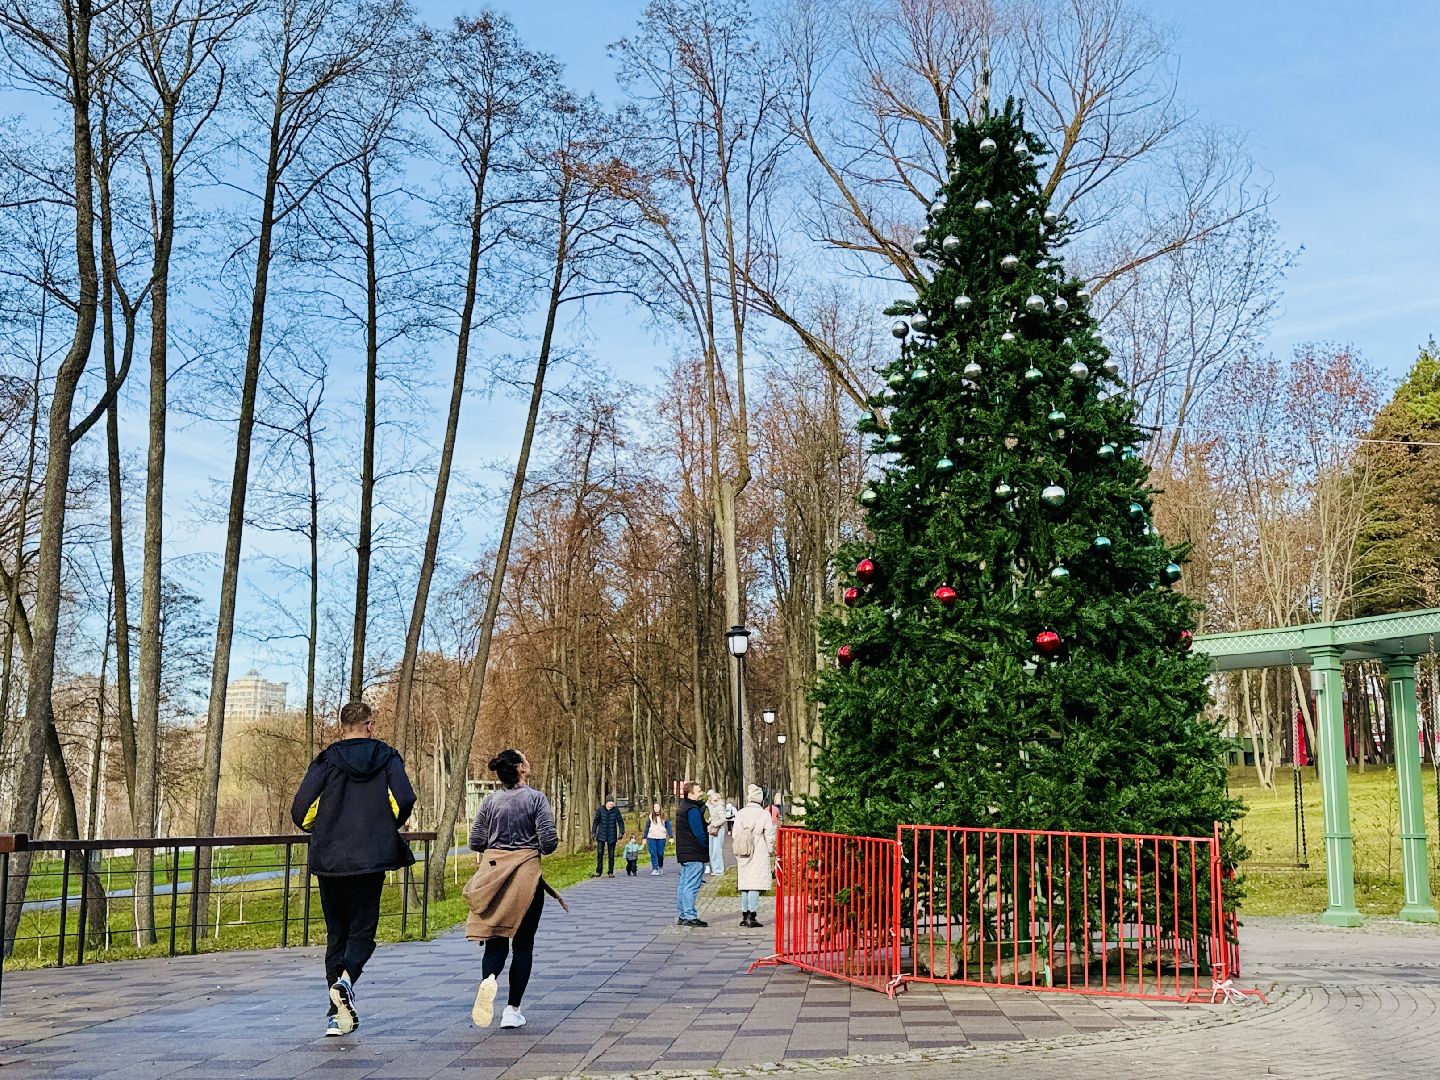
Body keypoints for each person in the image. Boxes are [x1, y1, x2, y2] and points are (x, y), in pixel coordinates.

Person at [290, 700, 416, 1038]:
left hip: (330, 858)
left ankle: (335, 1016)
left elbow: (300, 808)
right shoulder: (386, 756)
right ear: (370, 725)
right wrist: (388, 826)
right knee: (362, 933)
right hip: (371, 857)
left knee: (337, 934)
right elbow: (405, 798)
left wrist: (319, 826)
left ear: (342, 726)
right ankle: (345, 982)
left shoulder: (327, 759)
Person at [465, 748, 561, 1031]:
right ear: (520, 768)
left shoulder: (489, 802)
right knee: (523, 944)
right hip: (525, 879)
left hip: (494, 876)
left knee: (495, 941)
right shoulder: (536, 799)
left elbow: (475, 841)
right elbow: (548, 842)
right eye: (526, 760)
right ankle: (512, 1009)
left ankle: (490, 980)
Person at [731, 784, 777, 928]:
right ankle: (752, 915)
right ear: (760, 800)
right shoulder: (764, 814)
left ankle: (744, 915)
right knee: (755, 884)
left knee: (745, 883)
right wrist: (771, 850)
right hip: (758, 849)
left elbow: (734, 833)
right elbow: (769, 835)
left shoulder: (740, 813)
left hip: (743, 850)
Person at [675, 781, 709, 927]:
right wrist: (705, 844)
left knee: (683, 884)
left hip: (684, 852)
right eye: (699, 791)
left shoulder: (682, 808)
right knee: (691, 885)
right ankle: (690, 915)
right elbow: (698, 832)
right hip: (693, 852)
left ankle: (682, 914)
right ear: (691, 794)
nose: (701, 793)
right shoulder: (692, 810)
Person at [592, 795, 624, 878]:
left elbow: (620, 821)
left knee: (611, 854)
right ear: (606, 802)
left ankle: (610, 871)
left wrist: (621, 832)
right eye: (610, 802)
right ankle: (599, 871)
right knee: (600, 853)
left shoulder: (616, 810)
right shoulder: (600, 809)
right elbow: (596, 821)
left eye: (612, 802)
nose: (612, 803)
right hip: (602, 834)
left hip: (612, 834)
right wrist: (593, 832)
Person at [644, 802, 672, 875]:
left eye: (658, 807)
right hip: (651, 837)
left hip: (661, 837)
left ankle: (660, 866)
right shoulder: (650, 817)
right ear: (653, 808)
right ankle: (655, 869)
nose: (656, 808)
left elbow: (668, 827)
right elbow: (646, 828)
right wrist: (644, 838)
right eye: (655, 807)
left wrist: (671, 836)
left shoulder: (664, 817)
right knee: (653, 853)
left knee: (660, 854)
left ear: (660, 808)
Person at [704, 790, 727, 877]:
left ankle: (719, 869)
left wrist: (714, 823)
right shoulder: (708, 806)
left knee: (717, 850)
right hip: (711, 829)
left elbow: (723, 819)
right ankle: (714, 868)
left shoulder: (719, 806)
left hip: (718, 829)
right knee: (712, 850)